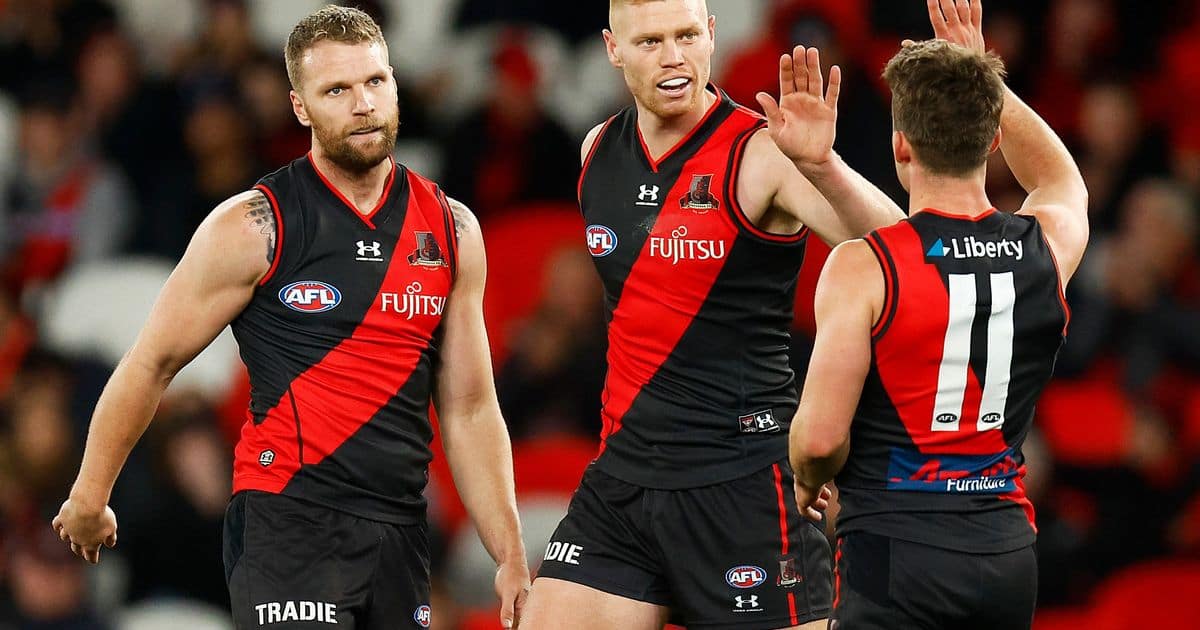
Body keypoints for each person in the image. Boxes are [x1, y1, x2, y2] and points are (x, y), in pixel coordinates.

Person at [50, 6, 530, 629]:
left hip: (398, 528)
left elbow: (469, 407)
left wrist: (509, 552)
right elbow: (152, 363)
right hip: (287, 518)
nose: (363, 104)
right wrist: (90, 496)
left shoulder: (452, 229)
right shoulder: (254, 226)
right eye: (337, 90)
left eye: (375, 81)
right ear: (300, 107)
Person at [520, 1, 905, 628]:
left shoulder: (763, 151)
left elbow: (903, 253)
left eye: (687, 36)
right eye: (650, 42)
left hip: (743, 482)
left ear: (712, 35)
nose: (673, 57)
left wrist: (822, 166)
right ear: (613, 49)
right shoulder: (598, 149)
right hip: (624, 479)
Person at [787, 1, 1089, 629]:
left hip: (896, 552)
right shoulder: (1046, 246)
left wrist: (808, 479)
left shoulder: (863, 267)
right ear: (994, 138)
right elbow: (1062, 179)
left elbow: (818, 441)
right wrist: (985, 77)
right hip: (1006, 555)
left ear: (901, 143)